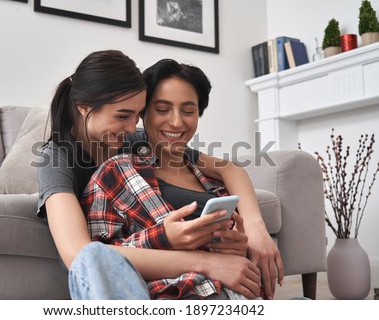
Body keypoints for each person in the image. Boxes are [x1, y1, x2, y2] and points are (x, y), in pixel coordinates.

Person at [36, 50, 281, 300]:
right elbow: (79, 255)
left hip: (176, 277)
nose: (133, 127)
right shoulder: (55, 159)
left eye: (137, 114)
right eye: (122, 115)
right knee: (93, 258)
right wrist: (205, 262)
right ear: (84, 108)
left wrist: (255, 228)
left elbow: (228, 168)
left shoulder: (134, 139)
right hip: (113, 272)